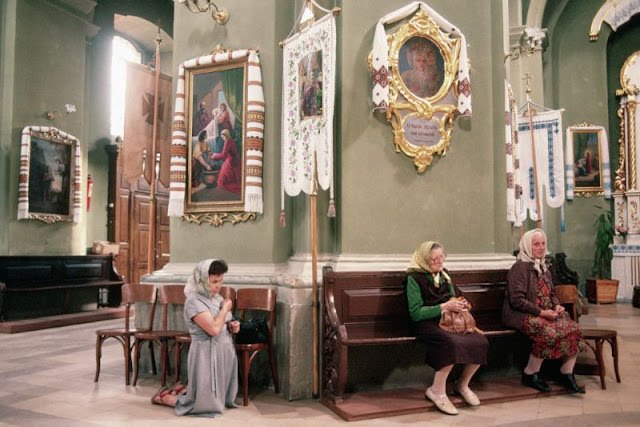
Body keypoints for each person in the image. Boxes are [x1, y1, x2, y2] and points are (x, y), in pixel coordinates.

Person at [406, 241, 489, 415]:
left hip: (449, 321)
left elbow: (453, 297)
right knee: (450, 343)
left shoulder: (445, 275)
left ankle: (462, 384)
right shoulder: (413, 278)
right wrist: (444, 307)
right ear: (424, 259)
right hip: (425, 323)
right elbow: (415, 313)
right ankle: (436, 391)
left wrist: (460, 303)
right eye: (434, 258)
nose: (439, 261)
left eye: (441, 257)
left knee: (479, 340)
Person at [151, 259, 241, 417]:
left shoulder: (217, 298)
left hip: (223, 350)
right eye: (214, 282)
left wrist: (233, 325)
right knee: (201, 405)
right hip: (205, 353)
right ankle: (166, 398)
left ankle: (183, 391)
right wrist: (225, 308)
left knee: (218, 399)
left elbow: (223, 323)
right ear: (202, 281)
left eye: (220, 281)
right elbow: (213, 329)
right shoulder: (193, 302)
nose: (218, 286)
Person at [502, 228, 585, 394]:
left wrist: (556, 305)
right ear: (527, 246)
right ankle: (530, 373)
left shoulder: (543, 266)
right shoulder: (520, 268)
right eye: (536, 244)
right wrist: (542, 313)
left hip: (545, 313)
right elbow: (517, 301)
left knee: (573, 328)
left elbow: (551, 293)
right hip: (522, 315)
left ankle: (566, 374)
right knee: (548, 331)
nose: (540, 247)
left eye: (543, 244)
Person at [210, 129, 242, 194]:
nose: (223, 139)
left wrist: (214, 156)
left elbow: (223, 155)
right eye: (222, 137)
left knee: (222, 183)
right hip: (236, 159)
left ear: (226, 136)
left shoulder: (227, 142)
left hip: (232, 161)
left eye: (223, 137)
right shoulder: (231, 140)